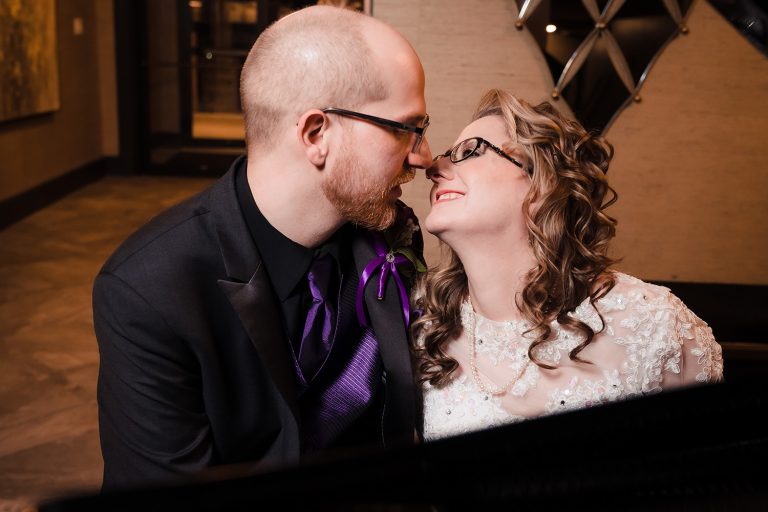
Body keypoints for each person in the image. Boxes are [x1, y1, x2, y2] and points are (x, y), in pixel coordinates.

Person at [93, 6, 432, 489]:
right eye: (405, 128)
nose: (421, 155)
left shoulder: (386, 232)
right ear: (317, 134)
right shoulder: (148, 290)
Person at [411, 89, 723, 441]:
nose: (434, 167)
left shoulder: (656, 324)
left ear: (542, 182)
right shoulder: (423, 330)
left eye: (470, 151)